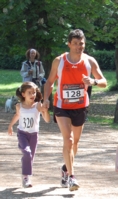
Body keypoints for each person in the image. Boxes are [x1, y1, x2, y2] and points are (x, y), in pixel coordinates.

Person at [43, 29, 107, 191]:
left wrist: (92, 81)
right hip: (62, 106)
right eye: (76, 44)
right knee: (69, 139)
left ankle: (65, 169)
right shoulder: (59, 61)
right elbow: (49, 82)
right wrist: (45, 99)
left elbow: (103, 81)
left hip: (80, 106)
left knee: (75, 143)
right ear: (69, 44)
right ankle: (72, 177)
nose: (79, 47)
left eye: (82, 44)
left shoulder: (89, 61)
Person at [8, 82, 50, 188]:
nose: (32, 95)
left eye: (34, 93)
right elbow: (17, 116)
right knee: (27, 153)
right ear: (23, 94)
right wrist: (10, 126)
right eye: (29, 93)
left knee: (30, 157)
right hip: (22, 133)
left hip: (34, 135)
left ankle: (26, 171)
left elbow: (47, 120)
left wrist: (45, 111)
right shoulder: (19, 106)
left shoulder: (38, 105)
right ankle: (26, 177)